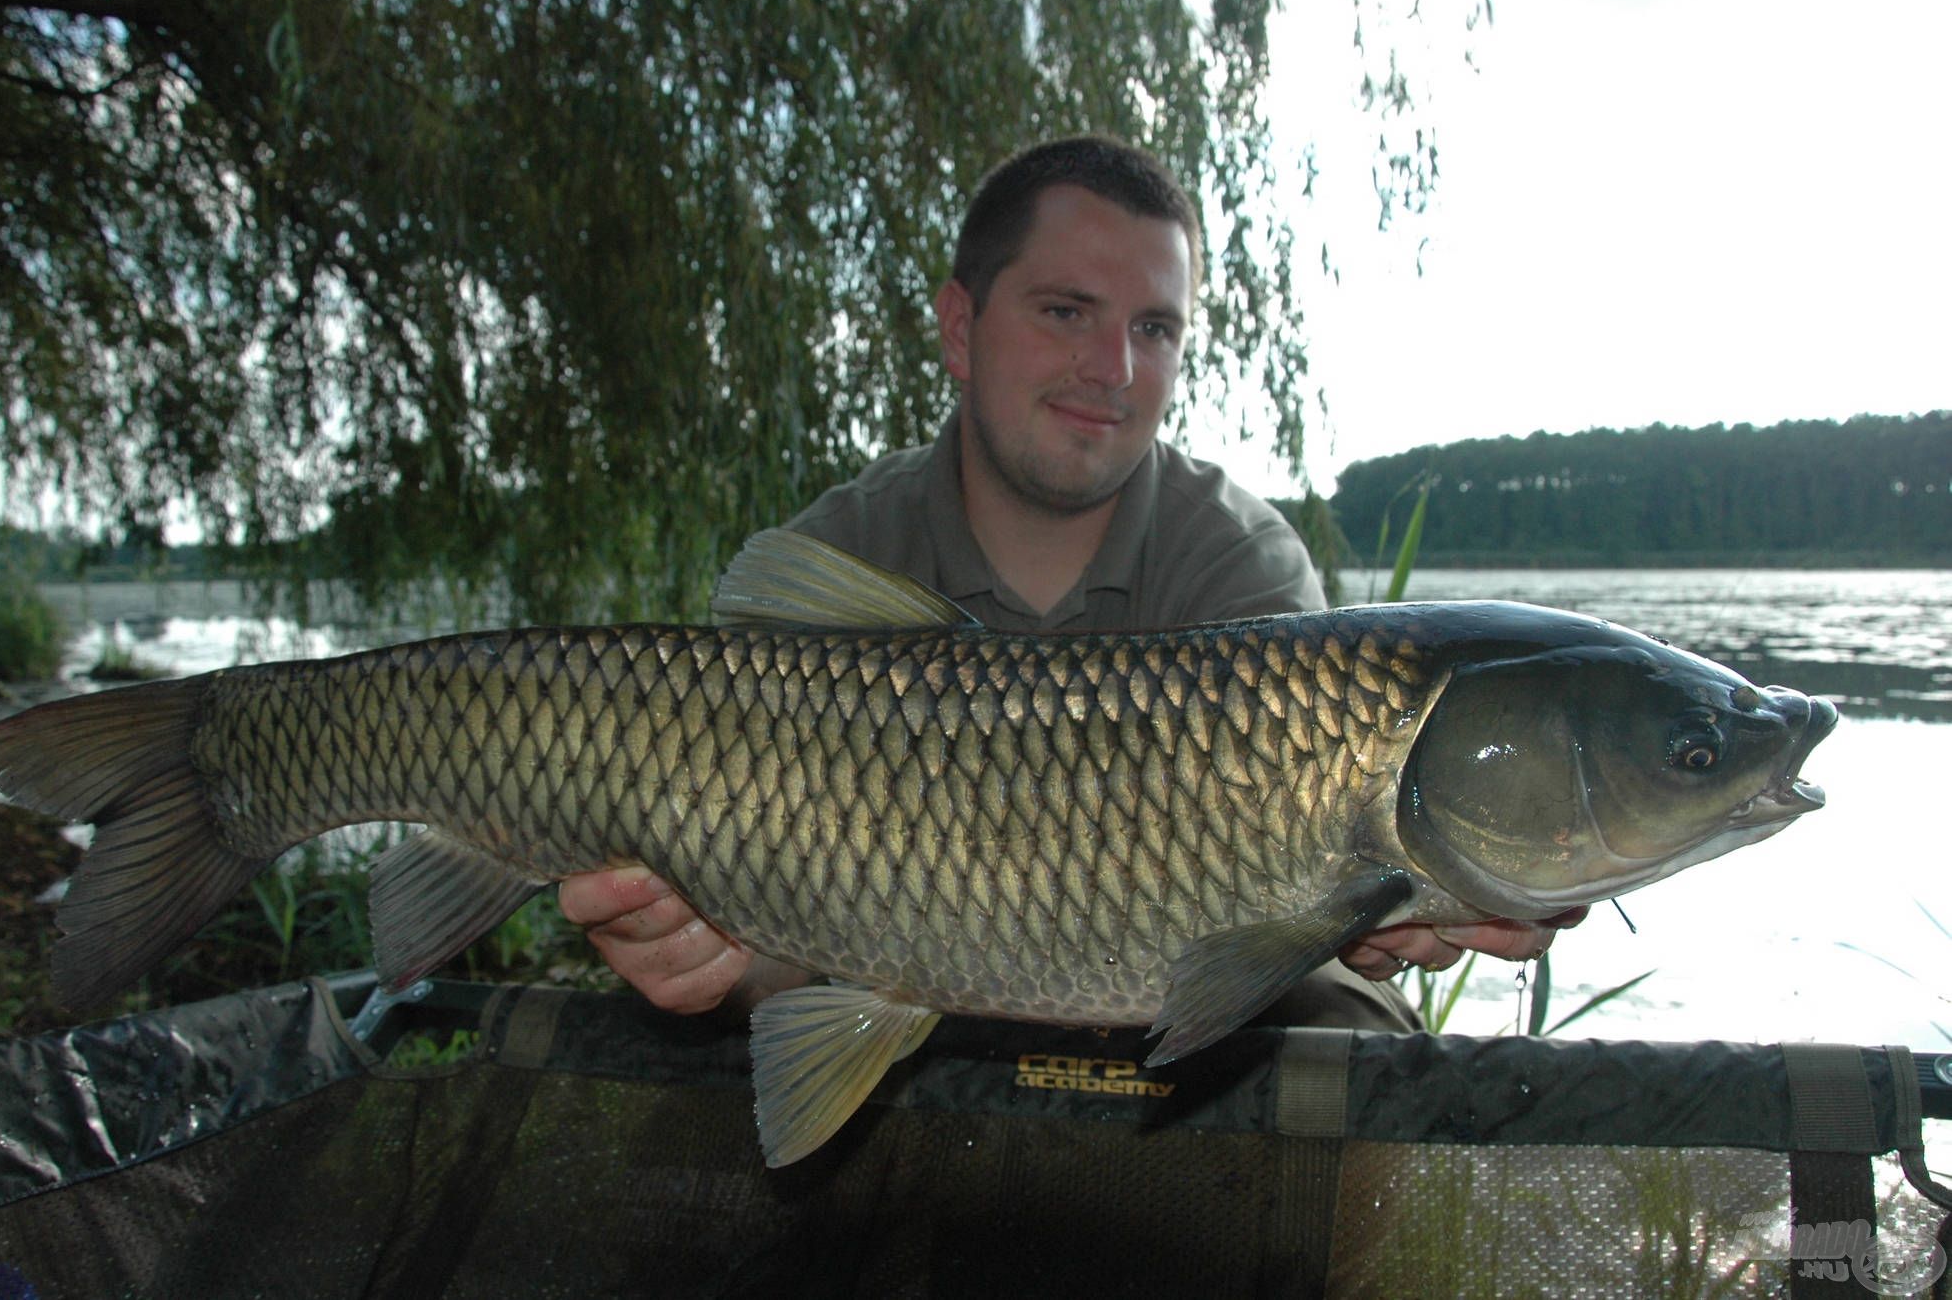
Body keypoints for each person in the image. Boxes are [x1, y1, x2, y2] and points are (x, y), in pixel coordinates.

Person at [558, 136, 1583, 1031]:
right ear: (960, 329)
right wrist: (699, 957)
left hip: (1170, 1019)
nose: (1115, 370)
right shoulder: (845, 549)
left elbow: (1281, 917)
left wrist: (1364, 928)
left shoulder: (1237, 564)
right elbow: (767, 914)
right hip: (881, 983)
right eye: (1066, 311)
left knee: (1340, 1023)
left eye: (1154, 329)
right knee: (738, 1015)